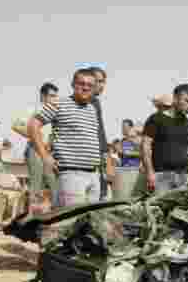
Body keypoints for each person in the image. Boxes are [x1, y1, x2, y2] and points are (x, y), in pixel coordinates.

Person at [29, 69, 116, 207]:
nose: (86, 87)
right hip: (71, 174)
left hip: (93, 175)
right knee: (70, 220)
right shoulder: (59, 103)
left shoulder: (92, 109)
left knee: (92, 221)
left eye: (90, 85)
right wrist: (45, 156)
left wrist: (106, 164)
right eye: (81, 83)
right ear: (73, 84)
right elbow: (33, 124)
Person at [141, 83, 188, 193]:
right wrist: (150, 173)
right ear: (175, 98)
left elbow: (187, 151)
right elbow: (145, 147)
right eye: (187, 101)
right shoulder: (156, 119)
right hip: (161, 177)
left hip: (182, 177)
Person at [12, 82, 60, 210]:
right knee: (36, 184)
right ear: (42, 96)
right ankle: (32, 216)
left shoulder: (55, 111)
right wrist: (35, 137)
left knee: (54, 183)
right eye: (51, 96)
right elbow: (16, 125)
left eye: (56, 96)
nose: (54, 99)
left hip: (50, 152)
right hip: (35, 149)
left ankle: (54, 213)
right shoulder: (34, 109)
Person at [84, 66, 114, 200]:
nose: (102, 85)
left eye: (103, 82)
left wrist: (107, 160)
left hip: (95, 162)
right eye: (99, 81)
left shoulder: (95, 102)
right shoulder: (82, 102)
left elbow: (100, 133)